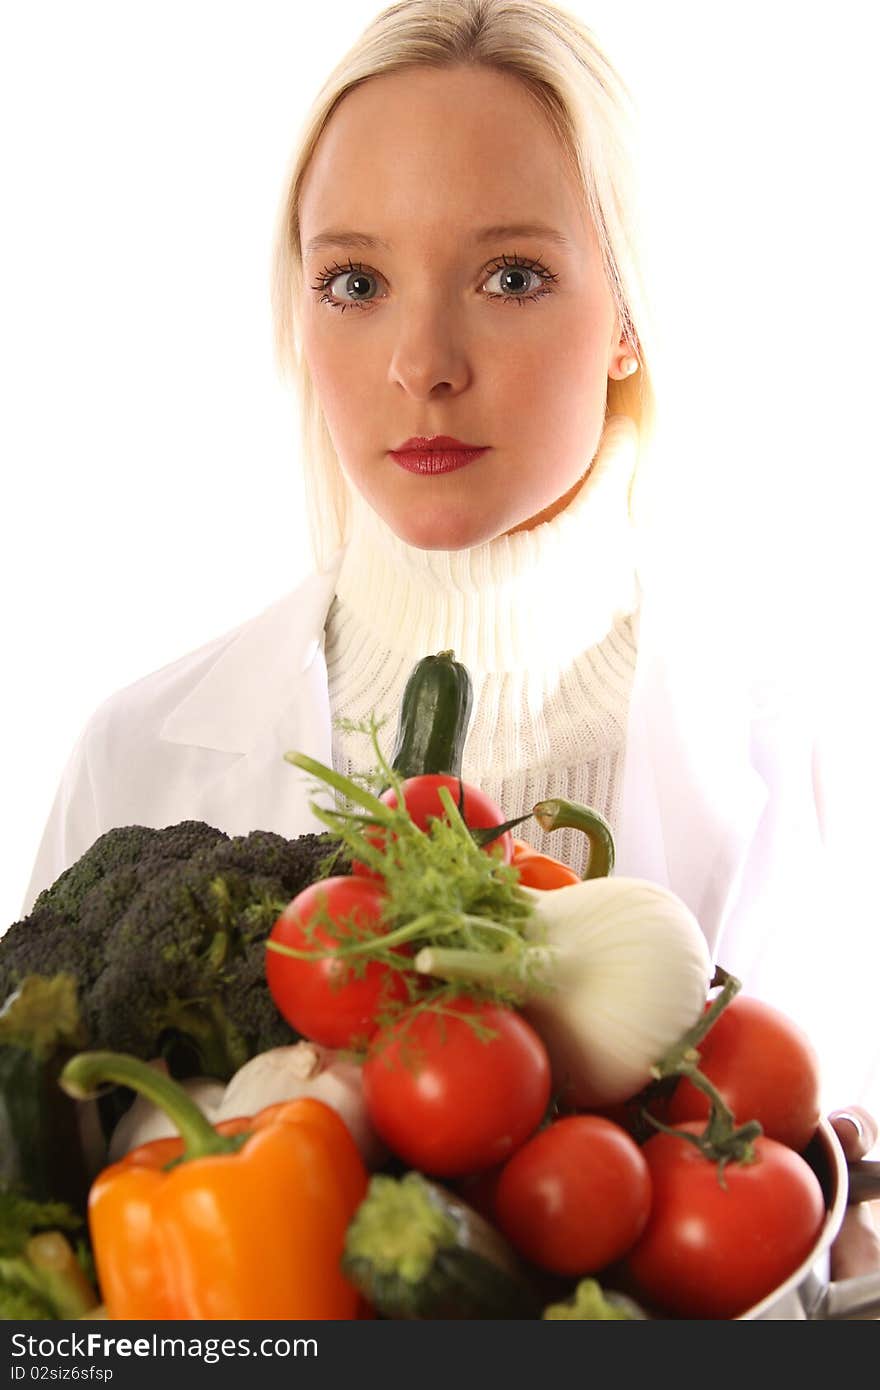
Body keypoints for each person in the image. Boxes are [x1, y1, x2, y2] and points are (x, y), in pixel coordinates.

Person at [20, 0, 880, 1280]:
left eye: (510, 276)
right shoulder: (138, 752)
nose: (420, 363)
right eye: (355, 283)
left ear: (629, 313)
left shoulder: (809, 752)